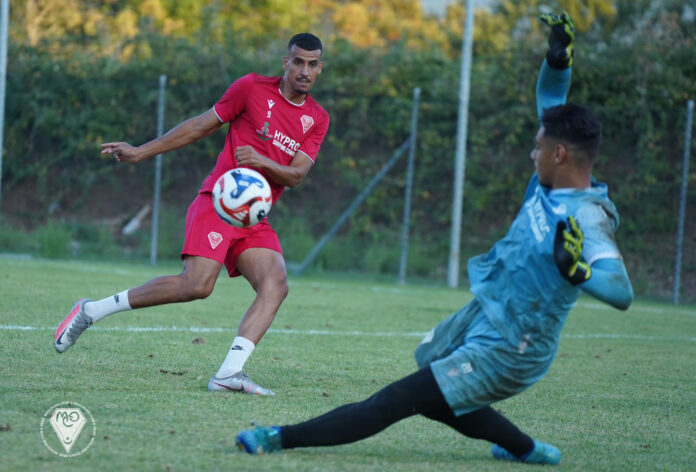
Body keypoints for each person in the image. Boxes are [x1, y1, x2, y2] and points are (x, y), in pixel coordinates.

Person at [235, 12, 633, 464]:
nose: (531, 151)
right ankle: (528, 450)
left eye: (538, 146)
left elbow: (620, 291)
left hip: (514, 345)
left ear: (559, 154)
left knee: (395, 401)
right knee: (433, 385)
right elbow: (551, 95)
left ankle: (277, 438)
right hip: (485, 313)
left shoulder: (588, 214)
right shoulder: (550, 181)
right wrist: (558, 56)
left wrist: (578, 271)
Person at [53, 33, 330, 396]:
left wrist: (262, 160)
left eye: (312, 64)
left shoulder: (317, 119)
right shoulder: (250, 88)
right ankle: (92, 310)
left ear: (320, 68)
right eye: (298, 62)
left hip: (252, 219)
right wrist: (140, 152)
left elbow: (295, 175)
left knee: (276, 284)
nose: (304, 70)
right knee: (196, 285)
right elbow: (201, 125)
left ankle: (229, 373)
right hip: (219, 203)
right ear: (285, 62)